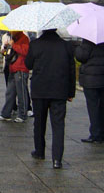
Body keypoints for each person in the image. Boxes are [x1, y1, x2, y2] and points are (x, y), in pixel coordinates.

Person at [25, 29, 75, 169]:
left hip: (40, 90)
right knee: (58, 125)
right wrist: (70, 92)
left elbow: (28, 64)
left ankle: (39, 151)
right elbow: (71, 70)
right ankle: (57, 159)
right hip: (60, 90)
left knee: (39, 123)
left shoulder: (35, 44)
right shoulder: (66, 46)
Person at [75, 39, 104, 143]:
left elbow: (81, 57)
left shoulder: (88, 41)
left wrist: (78, 48)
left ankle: (96, 134)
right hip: (103, 77)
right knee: (103, 106)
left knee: (93, 106)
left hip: (90, 79)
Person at [0, 31, 30, 122]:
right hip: (12, 68)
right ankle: (6, 113)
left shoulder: (24, 38)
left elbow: (25, 51)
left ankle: (22, 114)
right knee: (10, 93)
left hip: (21, 69)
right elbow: (8, 53)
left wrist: (13, 45)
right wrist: (5, 48)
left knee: (21, 93)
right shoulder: (12, 38)